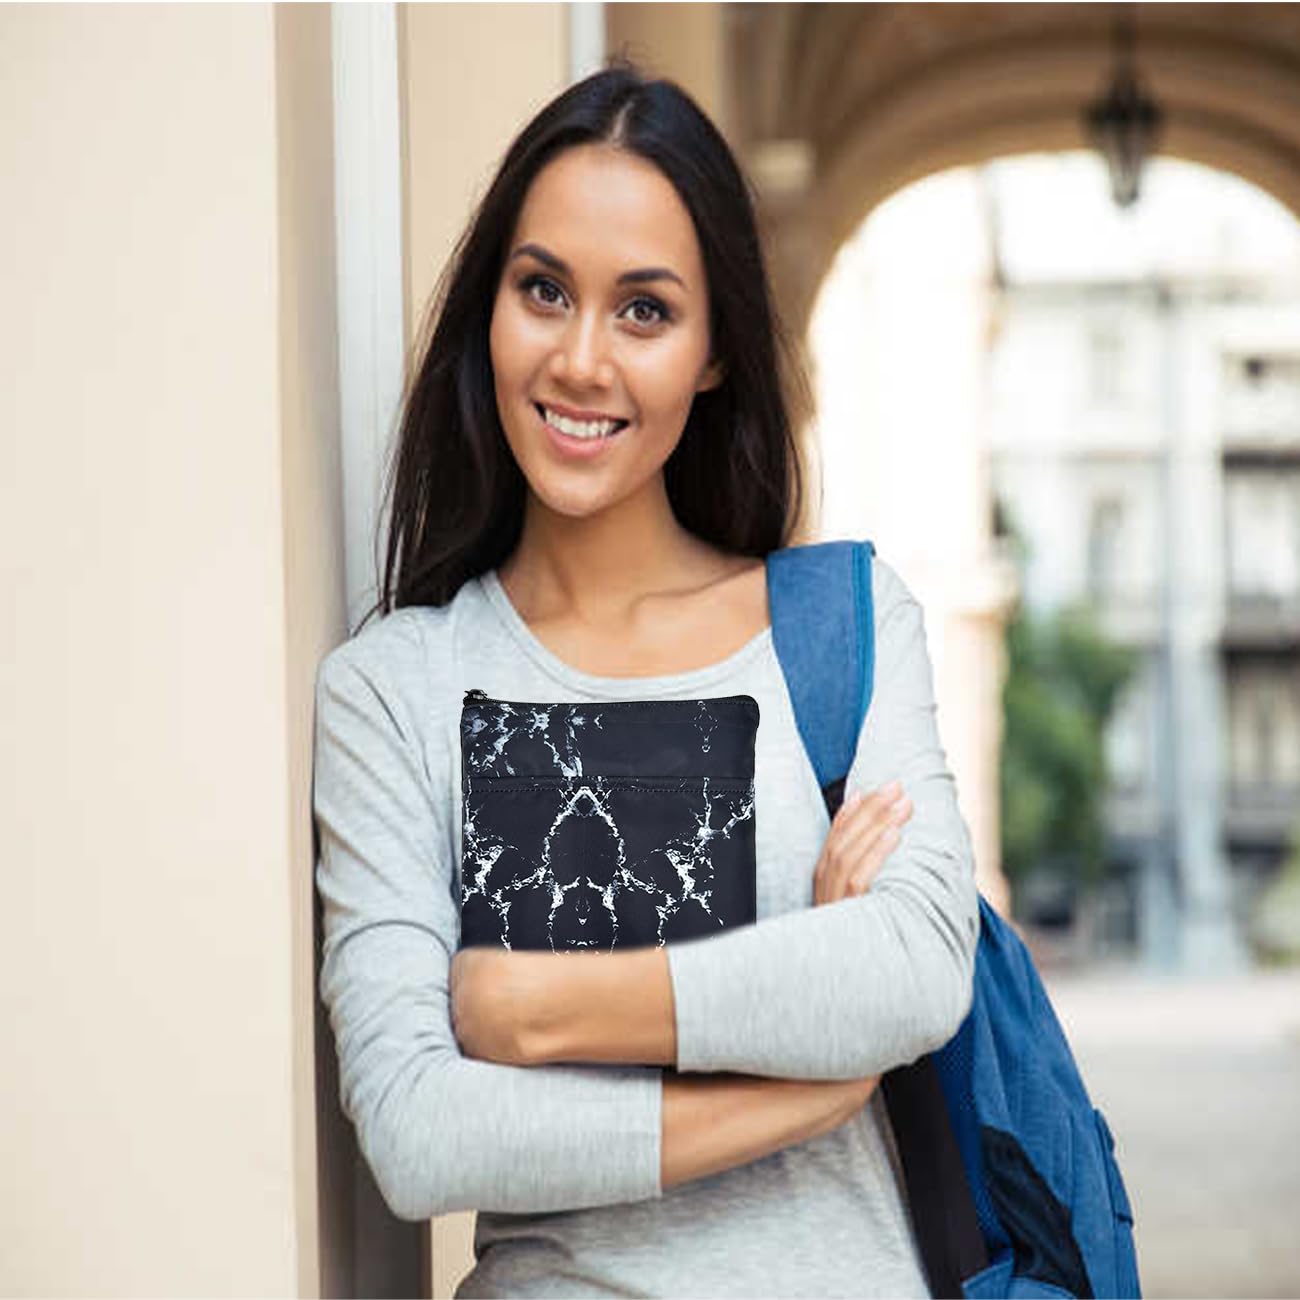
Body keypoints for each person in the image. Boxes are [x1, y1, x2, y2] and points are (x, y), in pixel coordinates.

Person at [312, 60, 979, 1299]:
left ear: (716, 350)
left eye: (645, 310)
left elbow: (916, 970)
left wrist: (528, 1008)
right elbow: (415, 1131)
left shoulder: (839, 629)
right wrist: (810, 1081)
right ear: (490, 309)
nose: (580, 360)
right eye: (543, 290)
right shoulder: (396, 691)